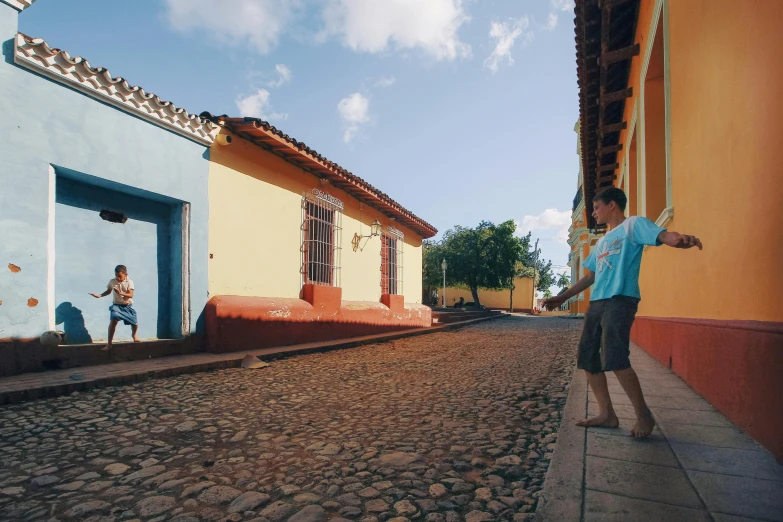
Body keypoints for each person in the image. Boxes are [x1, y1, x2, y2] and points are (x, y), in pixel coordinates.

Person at [543, 187, 702, 438]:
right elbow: (591, 276)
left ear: (612, 205)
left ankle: (643, 416)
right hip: (597, 302)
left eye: (596, 208)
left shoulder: (633, 225)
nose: (593, 213)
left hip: (620, 299)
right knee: (588, 357)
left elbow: (662, 235)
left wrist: (678, 239)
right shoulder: (602, 241)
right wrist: (562, 297)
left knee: (615, 356)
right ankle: (607, 414)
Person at [89, 264, 139, 351]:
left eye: (120, 276)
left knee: (134, 323)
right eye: (116, 276)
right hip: (116, 305)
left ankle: (134, 335)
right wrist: (99, 295)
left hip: (127, 305)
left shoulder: (129, 282)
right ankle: (109, 344)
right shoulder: (112, 281)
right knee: (113, 321)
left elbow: (130, 295)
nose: (118, 278)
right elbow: (108, 291)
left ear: (125, 274)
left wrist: (120, 293)